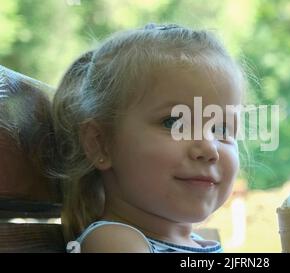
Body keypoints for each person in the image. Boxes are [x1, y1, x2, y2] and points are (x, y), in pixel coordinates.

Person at [51, 23, 245, 253]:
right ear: (100, 145)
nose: (209, 148)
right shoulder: (114, 242)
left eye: (221, 129)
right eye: (174, 123)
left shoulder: (196, 243)